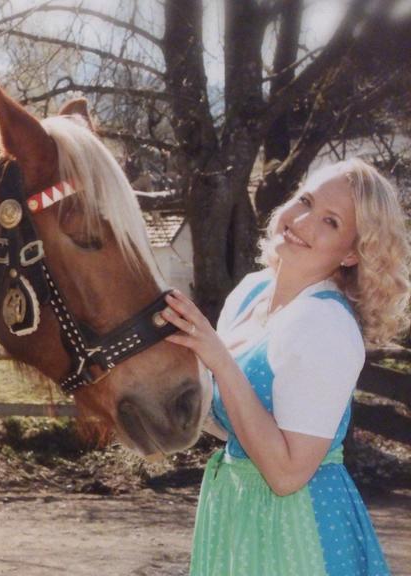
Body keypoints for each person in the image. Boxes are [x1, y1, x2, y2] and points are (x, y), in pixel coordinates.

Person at [161, 159, 409, 575]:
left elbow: (288, 473)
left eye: (330, 221)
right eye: (305, 201)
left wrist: (218, 357)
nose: (302, 221)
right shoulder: (250, 293)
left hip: (299, 533)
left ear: (352, 252)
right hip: (237, 513)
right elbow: (234, 423)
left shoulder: (325, 325)